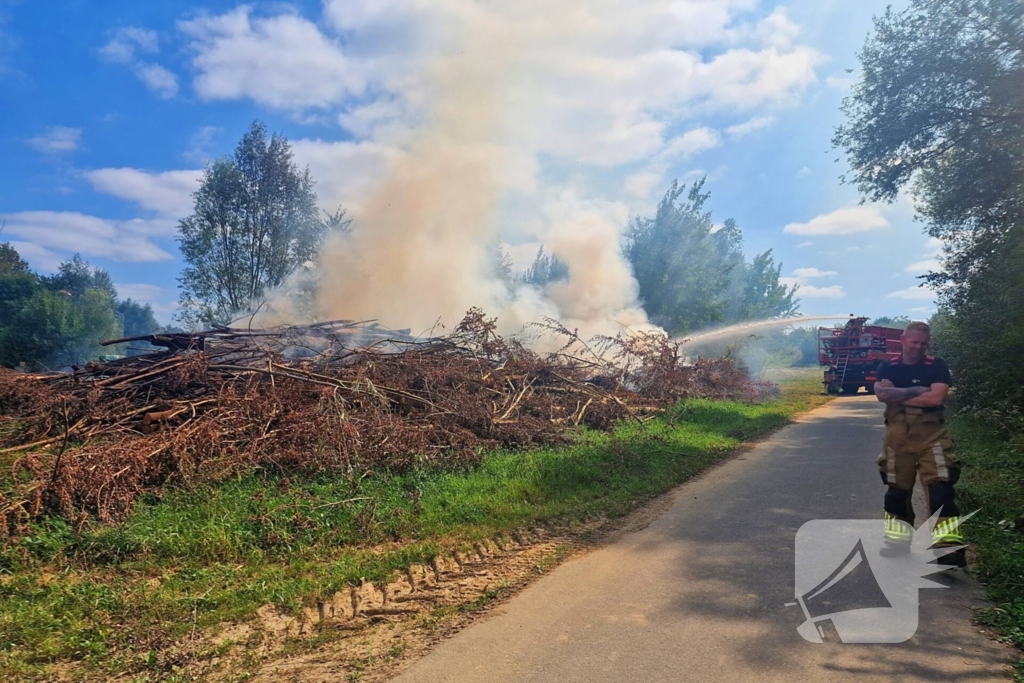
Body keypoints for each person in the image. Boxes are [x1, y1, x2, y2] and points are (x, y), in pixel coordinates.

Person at [873, 321, 965, 566]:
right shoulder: (887, 366)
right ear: (903, 340)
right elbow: (882, 395)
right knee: (896, 493)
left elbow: (936, 396)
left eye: (924, 343)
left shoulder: (936, 366)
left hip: (932, 437)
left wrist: (900, 394)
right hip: (897, 439)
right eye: (914, 342)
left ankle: (948, 548)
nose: (919, 347)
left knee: (941, 490)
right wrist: (918, 391)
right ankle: (897, 543)